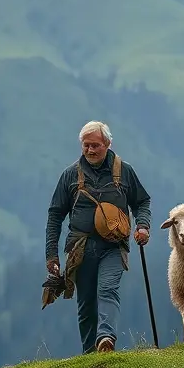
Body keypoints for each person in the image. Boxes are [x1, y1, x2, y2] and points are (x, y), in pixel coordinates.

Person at [44, 120, 152, 353]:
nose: (90, 150)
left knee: (108, 289)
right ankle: (90, 356)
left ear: (108, 144)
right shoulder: (69, 175)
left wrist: (143, 226)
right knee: (86, 305)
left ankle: (106, 338)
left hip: (113, 246)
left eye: (96, 145)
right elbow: (55, 215)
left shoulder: (125, 171)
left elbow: (142, 201)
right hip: (79, 249)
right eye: (86, 145)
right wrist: (51, 255)